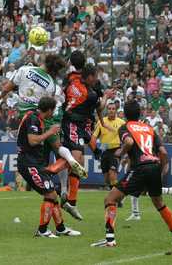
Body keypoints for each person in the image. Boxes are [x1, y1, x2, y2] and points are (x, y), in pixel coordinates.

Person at [92, 100, 172, 247]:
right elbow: (163, 152)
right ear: (140, 113)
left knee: (110, 199)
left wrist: (120, 152)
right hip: (154, 165)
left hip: (140, 168)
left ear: (124, 113)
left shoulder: (125, 127)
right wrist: (162, 170)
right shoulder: (149, 128)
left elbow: (129, 142)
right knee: (159, 203)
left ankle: (110, 240)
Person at [0, 54, 87, 180]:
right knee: (58, 147)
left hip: (29, 117)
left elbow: (7, 87)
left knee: (30, 145)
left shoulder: (25, 70)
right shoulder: (51, 84)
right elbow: (48, 104)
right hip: (46, 117)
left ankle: (42, 173)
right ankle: (70, 158)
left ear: (44, 60)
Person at [17, 96, 80, 237]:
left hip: (35, 162)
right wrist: (50, 132)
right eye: (53, 110)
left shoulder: (36, 117)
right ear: (49, 110)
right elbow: (32, 141)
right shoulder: (33, 119)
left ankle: (61, 228)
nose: (54, 114)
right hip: (28, 163)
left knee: (52, 194)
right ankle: (42, 230)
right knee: (50, 193)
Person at [62, 54, 111, 220]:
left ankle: (71, 201)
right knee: (76, 161)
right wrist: (106, 96)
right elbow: (101, 106)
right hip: (72, 123)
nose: (97, 79)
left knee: (80, 162)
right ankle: (59, 187)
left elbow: (64, 93)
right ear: (89, 76)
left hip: (79, 122)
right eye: (95, 76)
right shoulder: (90, 94)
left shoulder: (70, 78)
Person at [90, 102, 125, 194]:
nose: (111, 111)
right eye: (109, 109)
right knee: (107, 178)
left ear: (116, 110)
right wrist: (94, 150)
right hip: (104, 151)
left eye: (113, 109)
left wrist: (124, 150)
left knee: (112, 173)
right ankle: (113, 192)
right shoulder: (101, 122)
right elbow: (94, 137)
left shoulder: (121, 123)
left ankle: (117, 197)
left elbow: (127, 138)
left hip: (116, 150)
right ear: (107, 110)